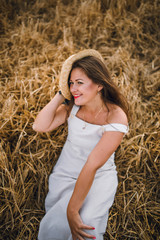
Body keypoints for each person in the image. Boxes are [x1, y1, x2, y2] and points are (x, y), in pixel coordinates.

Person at [33, 49, 129, 240]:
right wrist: (62, 93)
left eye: (79, 83)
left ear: (100, 84)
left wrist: (73, 209)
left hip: (99, 177)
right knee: (57, 225)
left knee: (87, 223)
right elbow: (39, 126)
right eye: (71, 83)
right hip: (66, 174)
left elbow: (93, 164)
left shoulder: (116, 117)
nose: (74, 88)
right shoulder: (73, 107)